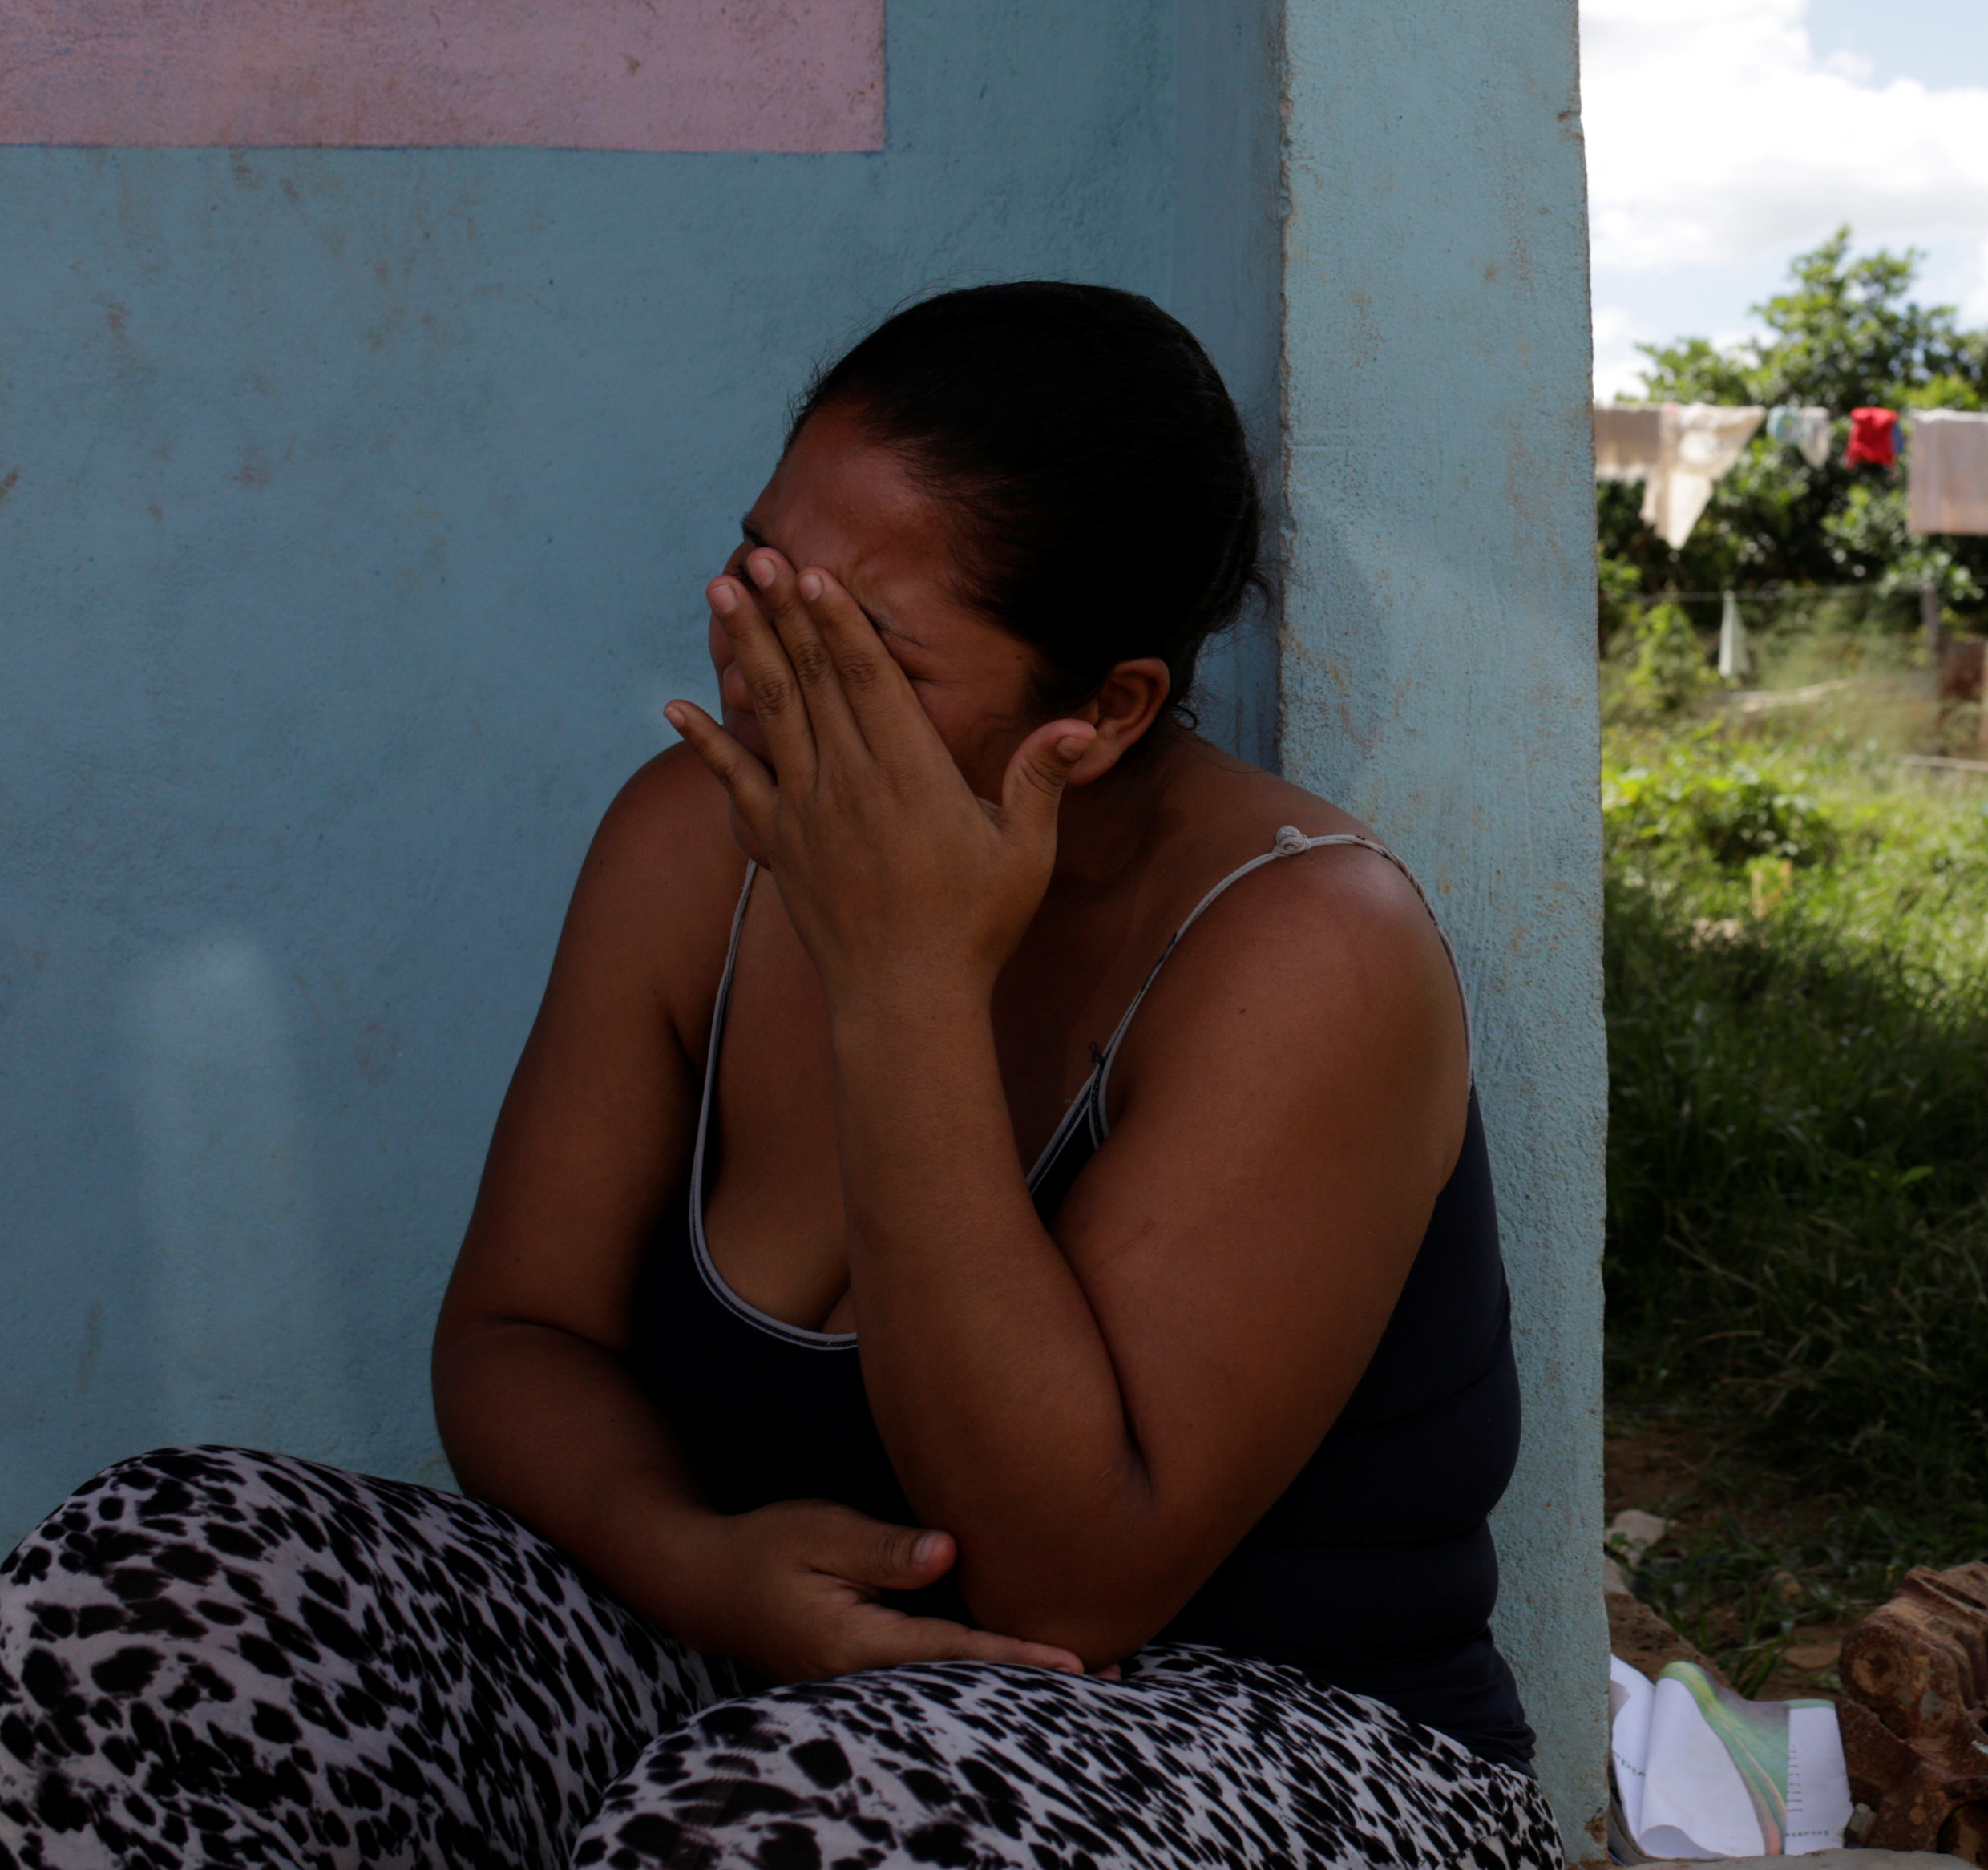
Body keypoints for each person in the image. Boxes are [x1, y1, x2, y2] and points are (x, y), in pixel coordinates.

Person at [0, 282, 1562, 1869]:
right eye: (759, 572)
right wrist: (695, 1562)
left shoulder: (1306, 949)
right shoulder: (692, 844)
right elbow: (515, 1335)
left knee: (787, 1819)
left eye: (857, 648)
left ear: (1103, 712)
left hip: (1265, 1742)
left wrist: (904, 983)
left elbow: (1066, 1587)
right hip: (738, 1688)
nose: (754, 662)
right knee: (157, 1581)